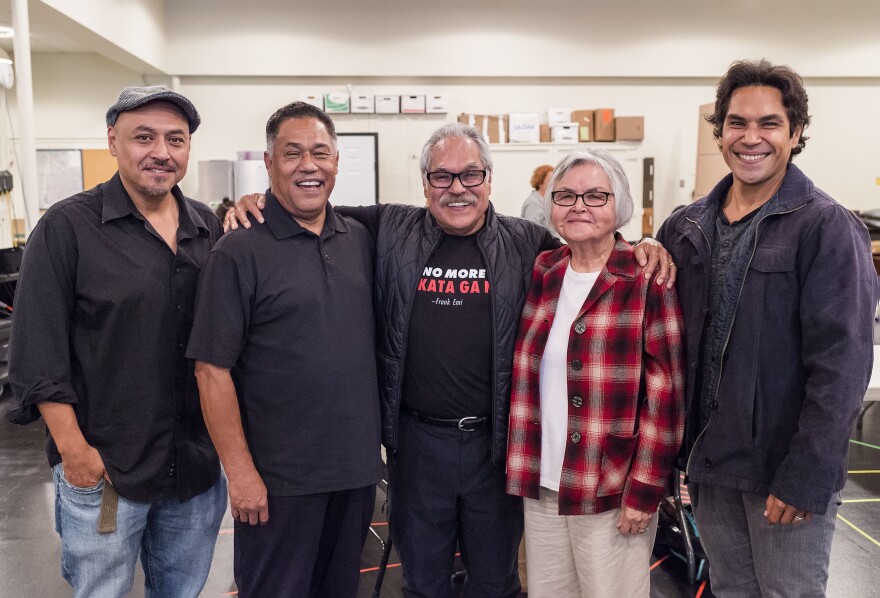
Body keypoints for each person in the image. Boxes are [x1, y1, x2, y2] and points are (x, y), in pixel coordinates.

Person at [228, 122, 676, 597]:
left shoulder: (529, 245)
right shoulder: (388, 228)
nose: (457, 188)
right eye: (442, 177)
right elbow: (311, 207)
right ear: (424, 184)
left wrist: (645, 245)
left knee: (495, 581)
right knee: (422, 581)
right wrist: (258, 200)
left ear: (489, 179)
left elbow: (594, 244)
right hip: (417, 445)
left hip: (497, 446)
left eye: (471, 175)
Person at [656, 59, 877, 597]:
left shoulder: (825, 227)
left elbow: (842, 365)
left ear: (795, 133)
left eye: (769, 123)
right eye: (737, 123)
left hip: (781, 468)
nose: (751, 137)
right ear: (721, 130)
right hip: (711, 464)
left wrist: (807, 473)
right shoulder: (685, 227)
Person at [7, 86, 226, 597]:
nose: (161, 152)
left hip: (193, 469)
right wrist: (75, 452)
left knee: (183, 591)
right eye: (143, 137)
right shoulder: (67, 228)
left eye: (175, 139)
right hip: (107, 470)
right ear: (112, 141)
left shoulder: (206, 227)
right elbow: (36, 353)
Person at [187, 101, 381, 597]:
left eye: (320, 152)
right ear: (269, 163)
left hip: (355, 475)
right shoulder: (237, 251)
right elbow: (211, 371)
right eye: (292, 153)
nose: (308, 165)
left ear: (337, 162)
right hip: (277, 483)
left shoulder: (360, 239)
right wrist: (241, 473)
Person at [506, 149, 685, 597]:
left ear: (619, 205)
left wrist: (644, 492)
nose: (578, 206)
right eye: (565, 195)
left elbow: (666, 396)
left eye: (595, 195)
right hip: (544, 481)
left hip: (610, 485)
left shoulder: (646, 279)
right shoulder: (544, 270)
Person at [521, 164, 555, 234]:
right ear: (540, 182)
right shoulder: (533, 202)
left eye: (554, 180)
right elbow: (531, 232)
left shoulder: (548, 200)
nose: (553, 184)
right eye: (549, 180)